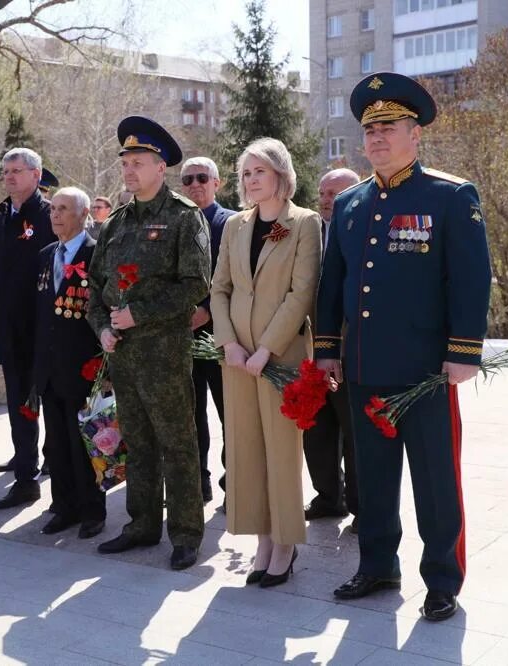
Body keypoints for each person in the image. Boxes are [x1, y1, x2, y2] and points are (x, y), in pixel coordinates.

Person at [315, 72, 492, 621]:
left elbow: (471, 278)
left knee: (435, 479)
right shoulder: (349, 203)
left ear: (416, 134)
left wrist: (463, 352)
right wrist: (327, 348)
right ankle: (377, 565)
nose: (377, 138)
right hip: (366, 366)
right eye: (369, 129)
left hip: (425, 372)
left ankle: (442, 578)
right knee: (373, 475)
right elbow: (333, 282)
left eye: (389, 126)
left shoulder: (449, 195)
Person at [87, 115, 211, 570]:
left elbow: (195, 284)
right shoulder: (116, 223)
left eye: (138, 162)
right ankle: (141, 524)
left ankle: (185, 532)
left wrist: (140, 313)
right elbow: (95, 288)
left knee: (177, 443)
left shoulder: (184, 217)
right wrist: (101, 328)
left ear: (161, 168)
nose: (129, 170)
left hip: (164, 355)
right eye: (126, 163)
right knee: (136, 443)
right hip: (123, 356)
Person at [210, 138, 322, 588]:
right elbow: (219, 288)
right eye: (246, 173)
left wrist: (265, 350)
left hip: (281, 358)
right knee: (245, 449)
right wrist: (229, 344)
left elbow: (301, 292)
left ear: (281, 174)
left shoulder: (305, 223)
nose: (252, 180)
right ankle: (260, 538)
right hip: (236, 358)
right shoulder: (235, 225)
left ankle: (285, 542)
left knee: (281, 451)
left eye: (260, 171)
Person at [0, 148, 55, 507]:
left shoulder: (50, 216)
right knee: (20, 407)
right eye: (6, 171)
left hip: (47, 333)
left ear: (36, 175)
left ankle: (56, 471)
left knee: (55, 407)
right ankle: (26, 475)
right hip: (11, 334)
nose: (9, 177)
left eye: (17, 171)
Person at [34, 186, 106, 539]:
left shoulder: (97, 254)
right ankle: (64, 507)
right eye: (52, 209)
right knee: (57, 444)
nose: (56, 215)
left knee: (84, 444)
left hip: (84, 367)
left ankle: (93, 509)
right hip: (50, 367)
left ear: (83, 213)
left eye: (63, 209)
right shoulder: (48, 254)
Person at [303, 167, 362, 528]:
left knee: (354, 436)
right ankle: (329, 497)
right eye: (323, 193)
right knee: (317, 430)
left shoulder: (363, 235)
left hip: (348, 351)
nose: (327, 200)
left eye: (335, 194)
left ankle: (361, 507)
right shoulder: (308, 234)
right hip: (310, 352)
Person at [180, 156, 235, 503]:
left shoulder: (233, 223)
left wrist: (208, 312)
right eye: (187, 180)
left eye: (202, 178)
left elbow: (238, 281)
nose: (195, 185)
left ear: (217, 183)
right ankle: (197, 480)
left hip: (222, 336)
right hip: (182, 336)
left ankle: (236, 482)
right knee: (190, 414)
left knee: (231, 415)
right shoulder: (176, 223)